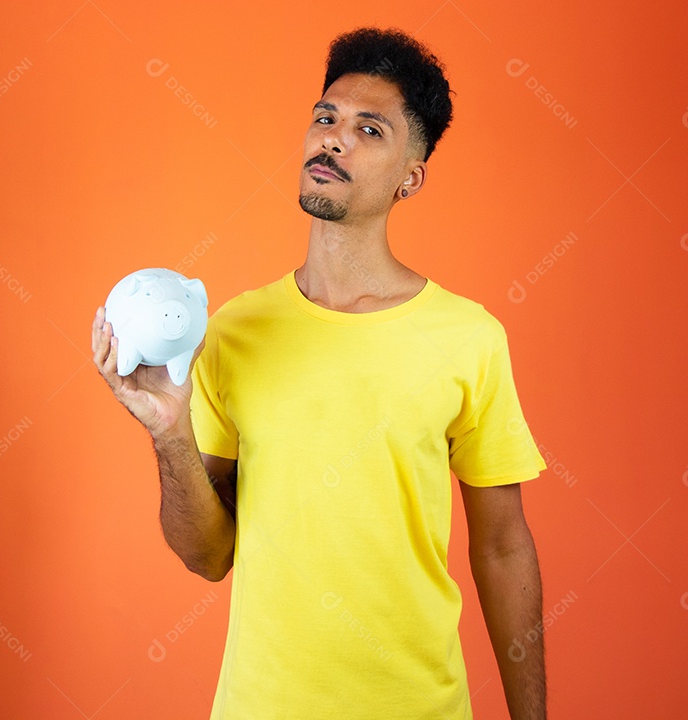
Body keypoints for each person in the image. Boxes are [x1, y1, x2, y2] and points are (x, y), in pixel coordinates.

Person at [92, 26, 547, 719]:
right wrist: (168, 431)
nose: (333, 139)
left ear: (410, 176)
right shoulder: (235, 332)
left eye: (370, 130)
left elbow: (504, 545)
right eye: (326, 117)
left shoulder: (469, 339)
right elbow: (208, 557)